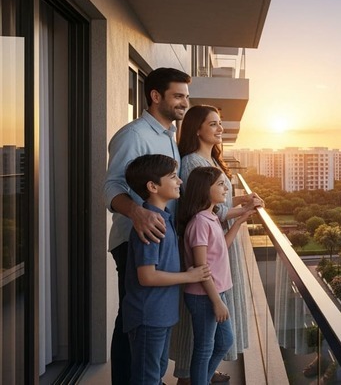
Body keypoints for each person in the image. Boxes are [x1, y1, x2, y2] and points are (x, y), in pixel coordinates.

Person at [103, 67, 191, 385]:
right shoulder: (134, 135)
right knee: (133, 320)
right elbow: (111, 187)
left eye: (186, 96)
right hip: (135, 239)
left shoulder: (168, 137)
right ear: (156, 96)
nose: (185, 102)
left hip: (160, 239)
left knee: (144, 321)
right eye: (178, 95)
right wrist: (136, 213)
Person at [171, 105, 262, 384]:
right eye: (213, 124)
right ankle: (191, 375)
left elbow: (219, 204)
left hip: (217, 243)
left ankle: (199, 374)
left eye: (220, 123)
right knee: (204, 336)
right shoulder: (192, 164)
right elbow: (208, 208)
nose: (220, 129)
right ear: (197, 129)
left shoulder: (209, 161)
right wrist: (238, 211)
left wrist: (243, 205)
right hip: (208, 252)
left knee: (214, 336)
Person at [122, 154, 211, 385]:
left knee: (157, 372)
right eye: (173, 176)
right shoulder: (150, 225)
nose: (180, 181)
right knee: (147, 378)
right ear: (153, 186)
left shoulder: (164, 218)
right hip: (148, 316)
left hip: (162, 314)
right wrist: (189, 276)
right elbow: (147, 276)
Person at [177, 167, 255, 385]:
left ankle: (200, 380)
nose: (226, 188)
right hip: (204, 296)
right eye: (220, 184)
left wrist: (239, 222)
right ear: (204, 189)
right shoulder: (200, 222)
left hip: (215, 292)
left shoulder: (210, 217)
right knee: (204, 348)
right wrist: (217, 302)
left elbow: (222, 247)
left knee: (224, 342)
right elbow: (202, 269)